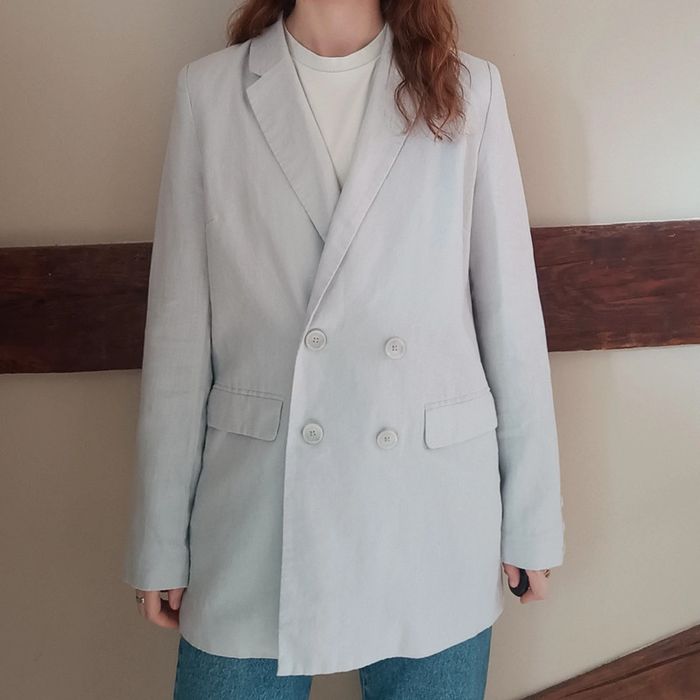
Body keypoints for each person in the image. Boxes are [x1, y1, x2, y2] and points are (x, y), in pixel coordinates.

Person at [122, 0, 566, 697]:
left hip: (429, 510)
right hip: (257, 510)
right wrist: (160, 539)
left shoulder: (468, 88)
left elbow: (510, 318)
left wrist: (532, 520)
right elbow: (179, 336)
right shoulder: (210, 92)